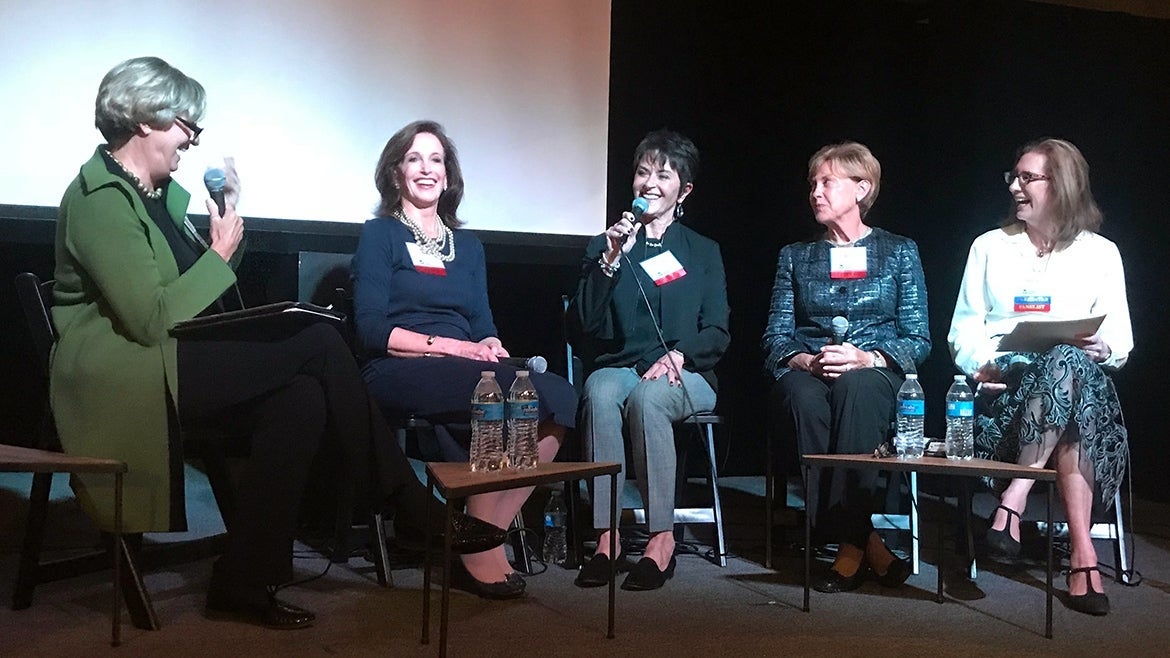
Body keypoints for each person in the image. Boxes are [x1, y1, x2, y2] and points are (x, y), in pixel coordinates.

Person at [50, 57, 501, 631]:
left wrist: (223, 230)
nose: (191, 137)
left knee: (304, 396)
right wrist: (216, 256)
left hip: (165, 359)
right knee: (316, 339)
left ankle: (243, 580)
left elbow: (197, 295)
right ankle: (406, 502)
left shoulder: (157, 197)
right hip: (124, 373)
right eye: (185, 123)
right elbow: (150, 317)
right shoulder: (101, 199)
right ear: (144, 119)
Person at [352, 120, 578, 600]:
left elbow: (481, 321)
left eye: (436, 160)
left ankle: (480, 533)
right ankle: (480, 553)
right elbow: (371, 330)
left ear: (449, 175)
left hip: (468, 364)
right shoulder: (381, 236)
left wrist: (491, 344)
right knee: (490, 395)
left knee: (558, 397)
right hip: (401, 366)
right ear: (395, 174)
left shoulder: (469, 247)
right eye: (414, 159)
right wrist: (457, 349)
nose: (426, 169)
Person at [947, 138, 1132, 616]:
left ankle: (1014, 499)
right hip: (1007, 397)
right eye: (1014, 176)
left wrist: (1103, 346)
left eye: (1027, 177)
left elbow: (1121, 340)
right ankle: (1082, 558)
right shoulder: (989, 247)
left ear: (1062, 185)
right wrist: (981, 365)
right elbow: (964, 330)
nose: (1014, 186)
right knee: (1066, 374)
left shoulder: (1101, 253)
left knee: (1069, 364)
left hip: (1081, 395)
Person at [763, 141, 930, 593]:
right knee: (801, 394)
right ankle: (862, 541)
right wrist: (808, 361)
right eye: (813, 183)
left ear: (862, 188)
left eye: (827, 182)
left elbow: (918, 339)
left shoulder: (899, 251)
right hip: (811, 370)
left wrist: (866, 358)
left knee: (858, 389)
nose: (815, 192)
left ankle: (848, 545)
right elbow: (775, 339)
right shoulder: (795, 256)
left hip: (875, 369)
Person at [567, 130, 729, 591]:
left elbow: (717, 329)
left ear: (685, 190)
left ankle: (661, 539)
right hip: (621, 366)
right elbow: (579, 326)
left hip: (687, 371)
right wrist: (611, 260)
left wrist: (680, 354)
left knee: (650, 399)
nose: (650, 183)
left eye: (663, 174)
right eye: (643, 172)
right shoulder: (605, 246)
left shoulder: (702, 251)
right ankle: (609, 537)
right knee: (599, 390)